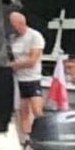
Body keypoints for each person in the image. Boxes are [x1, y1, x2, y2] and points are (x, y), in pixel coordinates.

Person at [8, 10, 45, 141]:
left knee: (36, 110)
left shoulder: (35, 36)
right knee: (22, 111)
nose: (12, 28)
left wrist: (12, 65)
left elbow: (32, 61)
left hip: (32, 78)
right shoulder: (13, 39)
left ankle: (42, 135)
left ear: (20, 23)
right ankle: (26, 139)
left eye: (13, 25)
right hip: (19, 78)